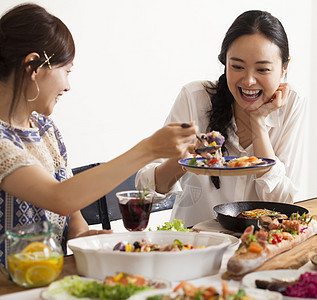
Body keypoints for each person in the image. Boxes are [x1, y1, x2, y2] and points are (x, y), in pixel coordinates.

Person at [0, 3, 197, 268]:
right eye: (66, 71)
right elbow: (59, 197)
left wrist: (80, 234)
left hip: (46, 278)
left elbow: (69, 206)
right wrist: (149, 149)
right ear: (33, 67)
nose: (68, 86)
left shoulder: (46, 129)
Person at [136, 10, 308, 227]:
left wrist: (258, 123)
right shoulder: (195, 98)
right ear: (225, 62)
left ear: (284, 68)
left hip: (261, 245)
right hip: (194, 243)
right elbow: (146, 189)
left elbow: (283, 202)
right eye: (237, 67)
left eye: (262, 69)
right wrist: (189, 157)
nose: (249, 81)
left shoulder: (292, 103)